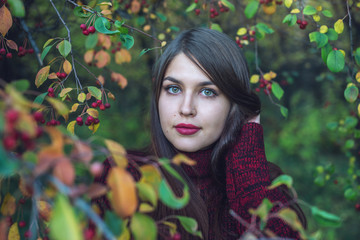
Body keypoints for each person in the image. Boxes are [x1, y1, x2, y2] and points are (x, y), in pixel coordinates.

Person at [93, 28, 306, 240]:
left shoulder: (266, 183)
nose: (186, 109)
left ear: (234, 104)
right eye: (174, 89)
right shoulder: (122, 175)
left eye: (208, 92)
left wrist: (248, 168)